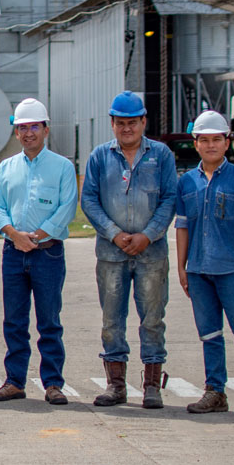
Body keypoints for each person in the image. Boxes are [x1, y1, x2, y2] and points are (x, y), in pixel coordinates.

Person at [80, 90, 177, 409]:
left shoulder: (161, 155)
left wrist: (148, 235)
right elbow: (89, 200)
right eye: (120, 123)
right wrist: (114, 233)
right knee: (111, 320)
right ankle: (116, 384)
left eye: (132, 123)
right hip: (111, 254)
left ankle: (152, 385)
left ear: (143, 122)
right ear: (112, 123)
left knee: (152, 318)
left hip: (151, 254)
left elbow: (169, 199)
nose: (126, 129)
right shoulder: (99, 157)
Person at [174, 110, 234, 418]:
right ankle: (215, 391)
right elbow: (182, 226)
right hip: (199, 271)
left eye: (217, 139)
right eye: (205, 140)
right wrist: (182, 266)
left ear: (227, 142)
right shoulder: (186, 182)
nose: (211, 145)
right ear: (195, 143)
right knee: (209, 334)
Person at [0, 98, 78, 405]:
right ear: (15, 133)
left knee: (49, 320)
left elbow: (67, 208)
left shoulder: (63, 167)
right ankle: (15, 381)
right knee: (14, 320)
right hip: (14, 252)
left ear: (46, 129)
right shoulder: (6, 168)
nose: (28, 133)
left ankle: (52, 383)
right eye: (22, 128)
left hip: (48, 253)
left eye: (34, 127)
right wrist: (14, 234)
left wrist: (37, 237)